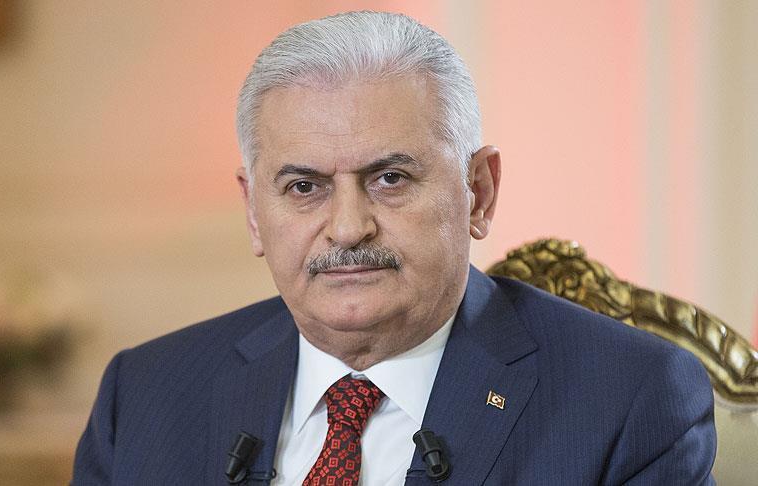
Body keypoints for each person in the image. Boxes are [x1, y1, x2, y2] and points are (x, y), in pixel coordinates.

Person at [72, 11, 716, 485]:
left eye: (390, 179)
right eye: (304, 187)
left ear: (479, 192)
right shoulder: (146, 396)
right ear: (253, 212)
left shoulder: (629, 399)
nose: (348, 228)